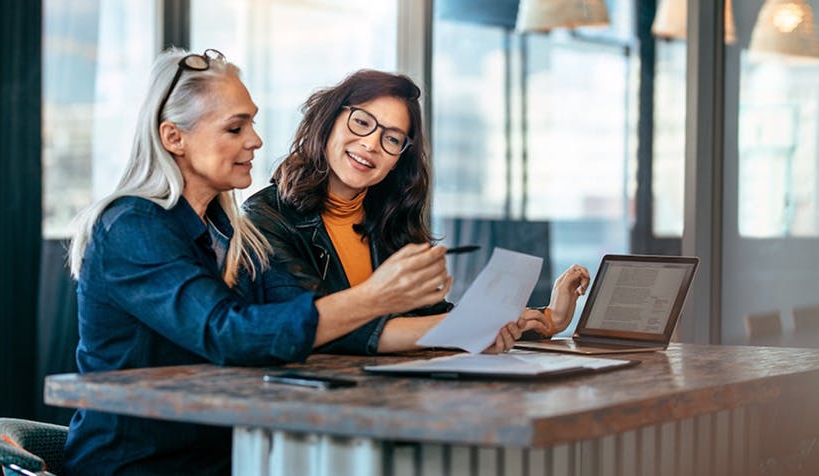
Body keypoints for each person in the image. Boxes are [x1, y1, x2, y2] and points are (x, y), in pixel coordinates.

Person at [63, 49, 505, 475]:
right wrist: (376, 296)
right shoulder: (131, 227)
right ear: (173, 137)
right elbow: (229, 334)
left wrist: (474, 324)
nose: (255, 140)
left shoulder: (232, 233)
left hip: (230, 455)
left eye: (252, 123)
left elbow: (298, 316)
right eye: (235, 128)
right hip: (144, 465)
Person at [243, 69, 591, 352]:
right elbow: (319, 327)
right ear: (329, 121)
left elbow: (431, 318)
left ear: (398, 160)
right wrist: (465, 329)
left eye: (392, 139)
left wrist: (549, 318)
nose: (371, 144)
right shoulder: (265, 218)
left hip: (391, 394)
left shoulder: (390, 220)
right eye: (361, 122)